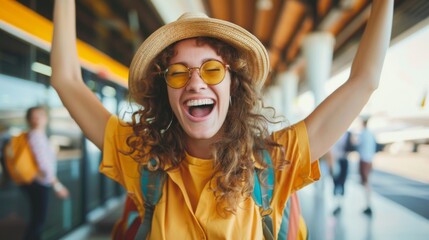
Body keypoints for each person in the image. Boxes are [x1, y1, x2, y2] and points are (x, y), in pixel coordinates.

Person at [50, 0, 393, 239]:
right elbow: (66, 80)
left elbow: (364, 80)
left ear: (233, 85)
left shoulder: (274, 162)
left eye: (212, 69)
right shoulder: (142, 160)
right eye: (178, 72)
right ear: (164, 91)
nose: (195, 82)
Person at [20, 106, 69, 240]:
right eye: (33, 117)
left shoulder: (33, 135)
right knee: (38, 222)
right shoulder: (36, 136)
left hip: (33, 182)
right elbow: (44, 165)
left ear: (45, 119)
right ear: (28, 120)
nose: (36, 120)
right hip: (39, 182)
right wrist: (57, 186)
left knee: (37, 220)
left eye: (39, 117)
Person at [329, 131, 356, 215]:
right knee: (336, 182)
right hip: (337, 160)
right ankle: (337, 203)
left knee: (341, 182)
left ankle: (339, 203)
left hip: (342, 160)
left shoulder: (347, 134)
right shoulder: (336, 134)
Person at [357, 118, 377, 216]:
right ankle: (368, 204)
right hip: (369, 160)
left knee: (366, 183)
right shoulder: (371, 134)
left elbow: (356, 144)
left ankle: (368, 205)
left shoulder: (363, 134)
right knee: (368, 182)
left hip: (364, 160)